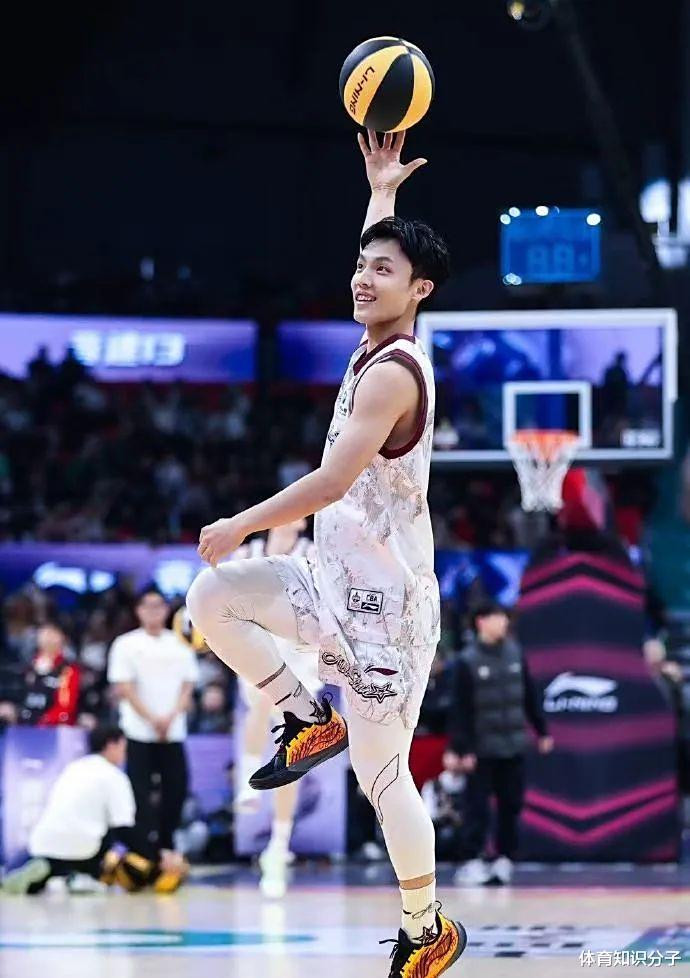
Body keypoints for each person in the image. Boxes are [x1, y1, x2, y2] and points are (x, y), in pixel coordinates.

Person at [187, 129, 466, 976]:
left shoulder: (394, 373)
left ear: (419, 291)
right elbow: (375, 252)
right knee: (211, 600)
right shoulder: (374, 342)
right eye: (360, 265)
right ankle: (310, 717)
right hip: (328, 581)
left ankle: (427, 927)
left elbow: (333, 481)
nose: (362, 277)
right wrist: (382, 191)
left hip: (389, 616)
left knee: (383, 780)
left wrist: (240, 522)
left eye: (383, 270)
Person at [232, 519, 323, 899]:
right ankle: (247, 783)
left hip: (300, 656)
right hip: (257, 648)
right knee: (261, 697)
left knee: (293, 751)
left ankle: (279, 845)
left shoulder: (312, 554)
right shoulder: (246, 554)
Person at [1, 726, 185, 894]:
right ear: (111, 745)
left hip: (42, 842)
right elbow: (124, 829)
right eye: (123, 747)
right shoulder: (114, 776)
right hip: (84, 849)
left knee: (52, 862)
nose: (125, 753)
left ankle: (48, 872)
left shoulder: (74, 767)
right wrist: (158, 856)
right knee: (126, 857)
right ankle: (84, 878)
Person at [444, 602, 553, 886]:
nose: (503, 622)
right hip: (481, 749)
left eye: (504, 618)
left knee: (511, 805)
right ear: (481, 622)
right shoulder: (466, 661)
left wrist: (541, 730)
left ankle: (505, 858)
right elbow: (460, 710)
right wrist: (462, 748)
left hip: (513, 745)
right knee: (476, 808)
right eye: (497, 617)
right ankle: (472, 860)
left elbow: (529, 696)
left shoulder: (515, 653)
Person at [108, 586, 199, 851]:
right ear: (138, 610)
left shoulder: (180, 642)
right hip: (138, 731)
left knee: (176, 789)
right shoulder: (125, 644)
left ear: (166, 610)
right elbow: (124, 687)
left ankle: (166, 844)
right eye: (147, 606)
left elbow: (188, 686)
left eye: (158, 606)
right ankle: (143, 848)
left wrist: (170, 717)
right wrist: (152, 719)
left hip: (173, 731)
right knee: (139, 792)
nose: (153, 611)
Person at [20, 622, 80, 726]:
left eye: (52, 633)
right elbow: (20, 696)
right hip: (24, 723)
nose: (47, 637)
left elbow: (65, 707)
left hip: (52, 726)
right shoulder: (29, 667)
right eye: (44, 633)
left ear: (62, 638)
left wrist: (45, 721)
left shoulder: (67, 670)